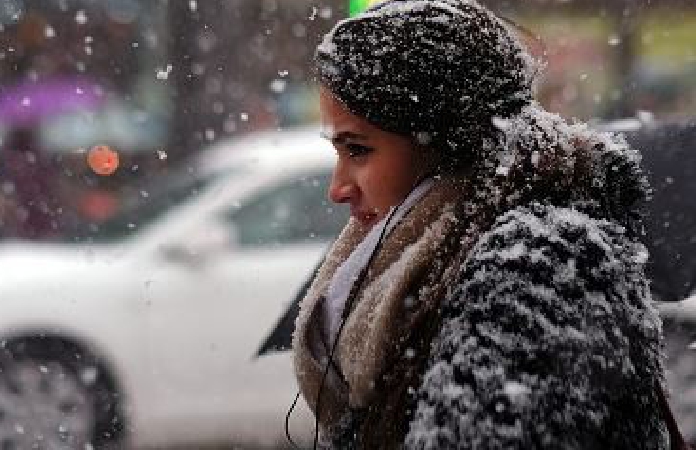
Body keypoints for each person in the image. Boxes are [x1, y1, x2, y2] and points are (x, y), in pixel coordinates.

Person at [290, 1, 683, 448]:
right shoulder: (435, 259)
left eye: (357, 150)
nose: (337, 189)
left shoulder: (539, 268)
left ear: (442, 143)